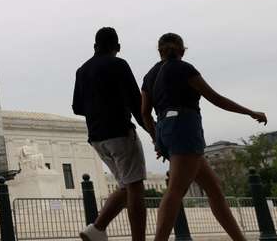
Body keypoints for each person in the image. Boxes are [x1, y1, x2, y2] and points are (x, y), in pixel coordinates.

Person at [141, 32, 267, 241]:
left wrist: (157, 140)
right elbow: (215, 98)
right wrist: (250, 112)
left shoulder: (149, 76)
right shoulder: (184, 69)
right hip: (185, 128)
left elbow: (145, 112)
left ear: (159, 51)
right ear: (182, 50)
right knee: (175, 192)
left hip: (165, 128)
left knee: (214, 189)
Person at [72, 27, 149, 241]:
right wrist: (153, 131)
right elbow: (136, 103)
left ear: (95, 46)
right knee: (135, 187)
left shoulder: (82, 70)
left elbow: (77, 107)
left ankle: (97, 229)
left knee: (126, 184)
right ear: (117, 47)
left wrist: (96, 105)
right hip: (119, 132)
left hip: (96, 137)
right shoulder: (118, 64)